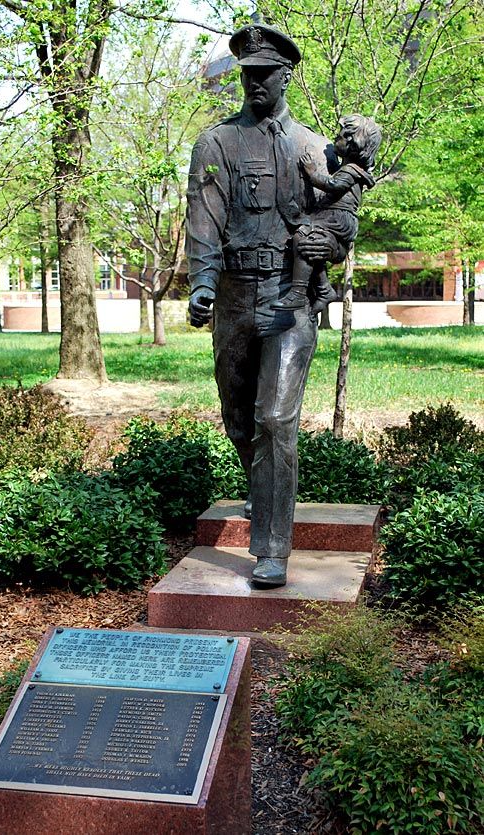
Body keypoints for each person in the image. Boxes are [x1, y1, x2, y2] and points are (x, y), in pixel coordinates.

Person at [186, 23, 347, 587]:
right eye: (247, 74)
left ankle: (272, 548)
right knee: (238, 416)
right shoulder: (216, 143)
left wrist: (331, 243)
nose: (254, 83)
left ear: (285, 76)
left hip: (291, 296)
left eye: (264, 74)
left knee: (275, 417)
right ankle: (263, 490)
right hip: (232, 297)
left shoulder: (313, 147)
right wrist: (202, 283)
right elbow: (203, 219)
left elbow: (340, 219)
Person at [271, 114, 382, 311]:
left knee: (305, 237)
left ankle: (298, 292)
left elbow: (333, 185)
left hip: (338, 218)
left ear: (351, 142)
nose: (334, 138)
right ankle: (323, 289)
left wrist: (312, 173)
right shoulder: (346, 168)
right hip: (332, 216)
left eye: (339, 136)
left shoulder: (351, 171)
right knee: (311, 245)